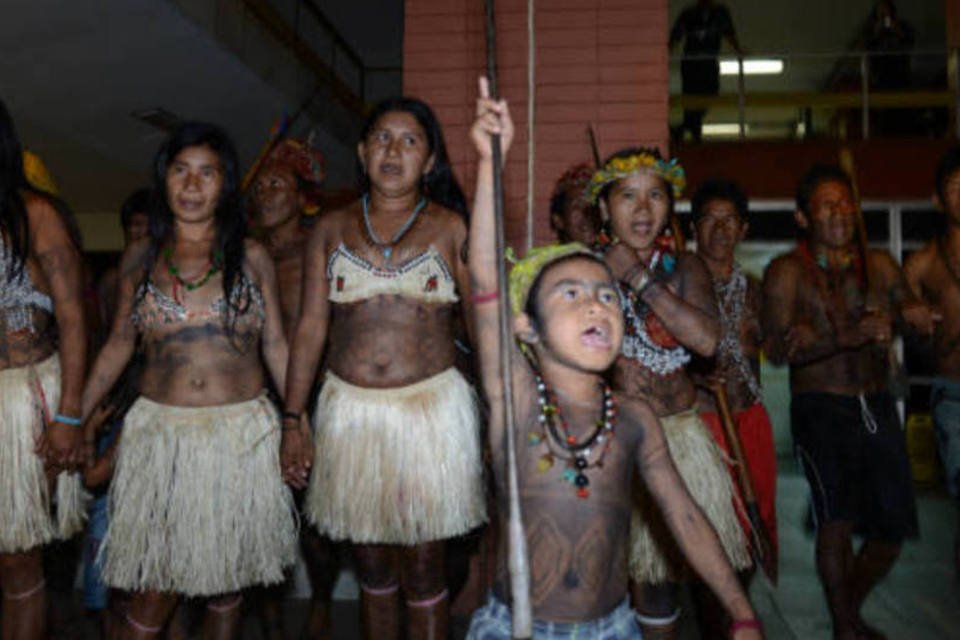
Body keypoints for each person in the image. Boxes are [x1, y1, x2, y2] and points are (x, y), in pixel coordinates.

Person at [465, 77, 762, 640]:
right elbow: (483, 282)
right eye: (570, 296)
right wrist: (487, 165)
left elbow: (687, 518)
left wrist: (741, 613)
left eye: (606, 297)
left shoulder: (633, 420)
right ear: (526, 326)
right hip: (517, 628)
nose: (595, 305)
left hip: (613, 629)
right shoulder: (520, 401)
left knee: (660, 589)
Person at [80, 121, 297, 638]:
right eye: (181, 172)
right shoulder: (140, 259)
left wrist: (298, 421)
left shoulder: (252, 258)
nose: (193, 185)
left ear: (225, 184)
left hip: (241, 436)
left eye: (207, 173)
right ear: (164, 181)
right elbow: (116, 346)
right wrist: (75, 414)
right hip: (162, 438)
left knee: (226, 587)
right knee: (157, 583)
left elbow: (277, 347)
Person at [281, 96, 485, 640]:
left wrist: (498, 416)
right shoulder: (329, 228)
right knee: (371, 566)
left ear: (432, 161)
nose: (394, 150)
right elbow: (309, 330)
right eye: (382, 139)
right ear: (363, 151)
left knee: (423, 565)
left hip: (431, 414)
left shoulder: (452, 229)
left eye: (410, 140)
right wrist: (292, 418)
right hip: (350, 413)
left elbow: (483, 330)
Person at [762, 164, 929, 640]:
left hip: (875, 406)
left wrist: (906, 314)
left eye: (845, 203)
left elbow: (913, 313)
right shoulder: (786, 272)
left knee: (892, 529)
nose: (840, 212)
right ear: (801, 217)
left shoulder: (877, 264)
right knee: (834, 522)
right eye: (826, 204)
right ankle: (845, 626)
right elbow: (775, 352)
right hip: (820, 408)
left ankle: (847, 613)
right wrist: (839, 337)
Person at [591, 148, 749, 639]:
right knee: (609, 580)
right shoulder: (582, 270)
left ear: (669, 206)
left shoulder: (686, 268)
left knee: (666, 584)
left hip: (680, 443)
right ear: (604, 209)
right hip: (612, 443)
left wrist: (636, 277)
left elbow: (706, 339)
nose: (642, 209)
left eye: (655, 195)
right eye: (628, 196)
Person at [0, 97, 88, 640]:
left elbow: (75, 318)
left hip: (22, 405)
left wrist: (70, 415)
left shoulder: (34, 214)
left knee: (17, 559)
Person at [249, 137, 336, 640]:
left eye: (276, 184)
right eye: (259, 186)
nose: (265, 193)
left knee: (314, 520)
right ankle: (270, 621)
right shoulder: (243, 250)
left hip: (313, 396)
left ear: (303, 194)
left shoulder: (319, 247)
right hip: (255, 400)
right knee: (264, 519)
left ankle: (322, 602)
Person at [689, 178, 778, 637]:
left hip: (751, 422)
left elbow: (778, 350)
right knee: (713, 538)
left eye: (729, 220)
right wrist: (692, 374)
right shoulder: (680, 282)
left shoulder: (758, 290)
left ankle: (730, 621)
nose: (720, 229)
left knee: (751, 535)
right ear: (694, 227)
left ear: (743, 229)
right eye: (709, 219)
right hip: (703, 424)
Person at [903, 146, 960, 575]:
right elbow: (904, 332)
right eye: (955, 187)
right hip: (953, 394)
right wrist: (914, 322)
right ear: (939, 198)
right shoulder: (923, 264)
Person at [669, 0, 743, 143]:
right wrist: (665, 53)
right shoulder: (688, 14)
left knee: (711, 92)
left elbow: (729, 33)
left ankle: (685, 127)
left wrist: (738, 49)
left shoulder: (720, 13)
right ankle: (694, 131)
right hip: (691, 63)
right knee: (691, 97)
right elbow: (675, 36)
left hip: (709, 62)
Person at [549, 163, 603, 247]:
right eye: (577, 207)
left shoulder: (614, 257)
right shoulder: (545, 259)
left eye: (593, 205)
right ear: (558, 220)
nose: (588, 213)